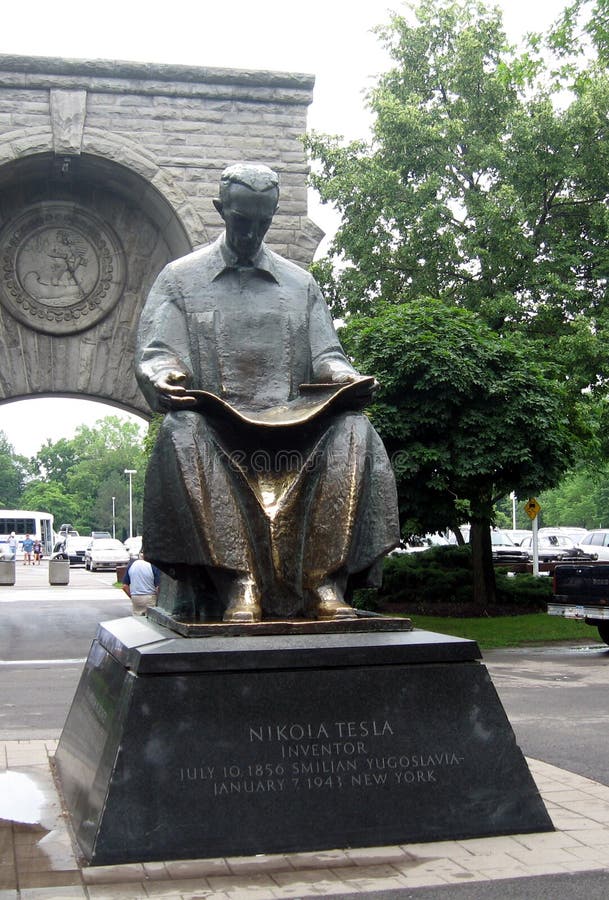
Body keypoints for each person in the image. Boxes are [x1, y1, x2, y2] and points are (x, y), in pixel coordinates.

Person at [135, 163, 399, 623]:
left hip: (294, 432)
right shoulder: (180, 279)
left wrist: (343, 377)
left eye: (263, 222)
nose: (252, 232)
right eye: (242, 220)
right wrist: (164, 376)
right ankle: (238, 581)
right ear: (222, 211)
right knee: (183, 429)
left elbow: (328, 355)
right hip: (219, 430)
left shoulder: (300, 285)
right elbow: (159, 351)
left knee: (354, 428)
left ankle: (322, 582)